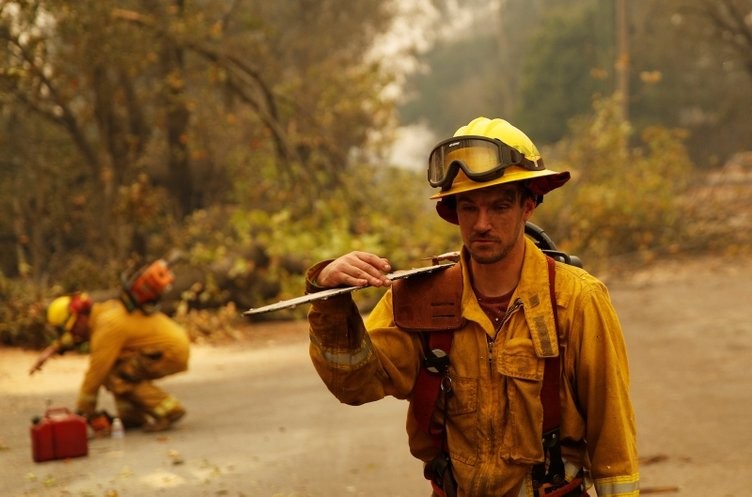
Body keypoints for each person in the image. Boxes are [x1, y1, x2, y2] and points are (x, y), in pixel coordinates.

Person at [305, 117, 639, 496]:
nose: (482, 224)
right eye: (469, 208)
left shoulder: (577, 298)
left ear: (528, 206)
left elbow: (612, 435)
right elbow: (356, 384)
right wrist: (330, 297)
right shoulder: (421, 298)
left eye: (499, 207)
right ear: (454, 212)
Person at [31, 260, 190, 433]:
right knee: (117, 370)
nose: (73, 334)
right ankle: (132, 418)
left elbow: (96, 373)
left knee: (118, 376)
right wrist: (54, 348)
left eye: (71, 328)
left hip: (171, 351)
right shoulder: (103, 313)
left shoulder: (107, 326)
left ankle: (169, 410)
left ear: (79, 318)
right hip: (168, 346)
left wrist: (83, 413)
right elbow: (76, 338)